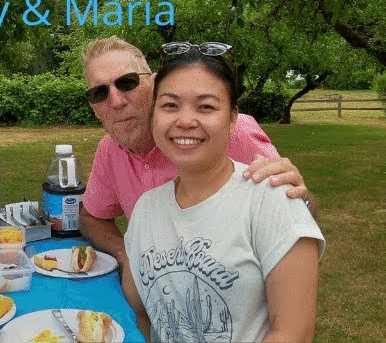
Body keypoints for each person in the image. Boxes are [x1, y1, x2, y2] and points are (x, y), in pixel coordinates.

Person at [125, 44, 324, 342]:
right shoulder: (145, 209)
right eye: (169, 105)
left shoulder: (271, 200)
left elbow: (294, 333)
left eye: (206, 106)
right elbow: (144, 314)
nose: (186, 120)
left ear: (232, 119)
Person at [78, 37, 314, 269]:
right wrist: (125, 252)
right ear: (93, 107)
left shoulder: (227, 132)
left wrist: (298, 196)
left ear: (155, 84)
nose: (116, 101)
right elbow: (92, 216)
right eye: (99, 93)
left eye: (127, 83)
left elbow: (293, 208)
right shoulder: (109, 151)